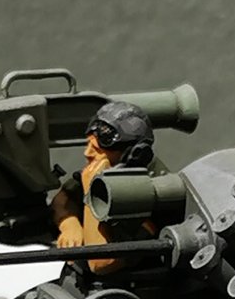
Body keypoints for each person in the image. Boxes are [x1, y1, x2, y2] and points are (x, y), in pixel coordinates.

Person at [52, 101, 158, 271]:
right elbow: (63, 199)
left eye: (96, 149)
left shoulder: (152, 194)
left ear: (131, 155)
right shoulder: (103, 172)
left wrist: (91, 191)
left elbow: (100, 263)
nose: (87, 153)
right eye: (88, 144)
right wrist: (69, 224)